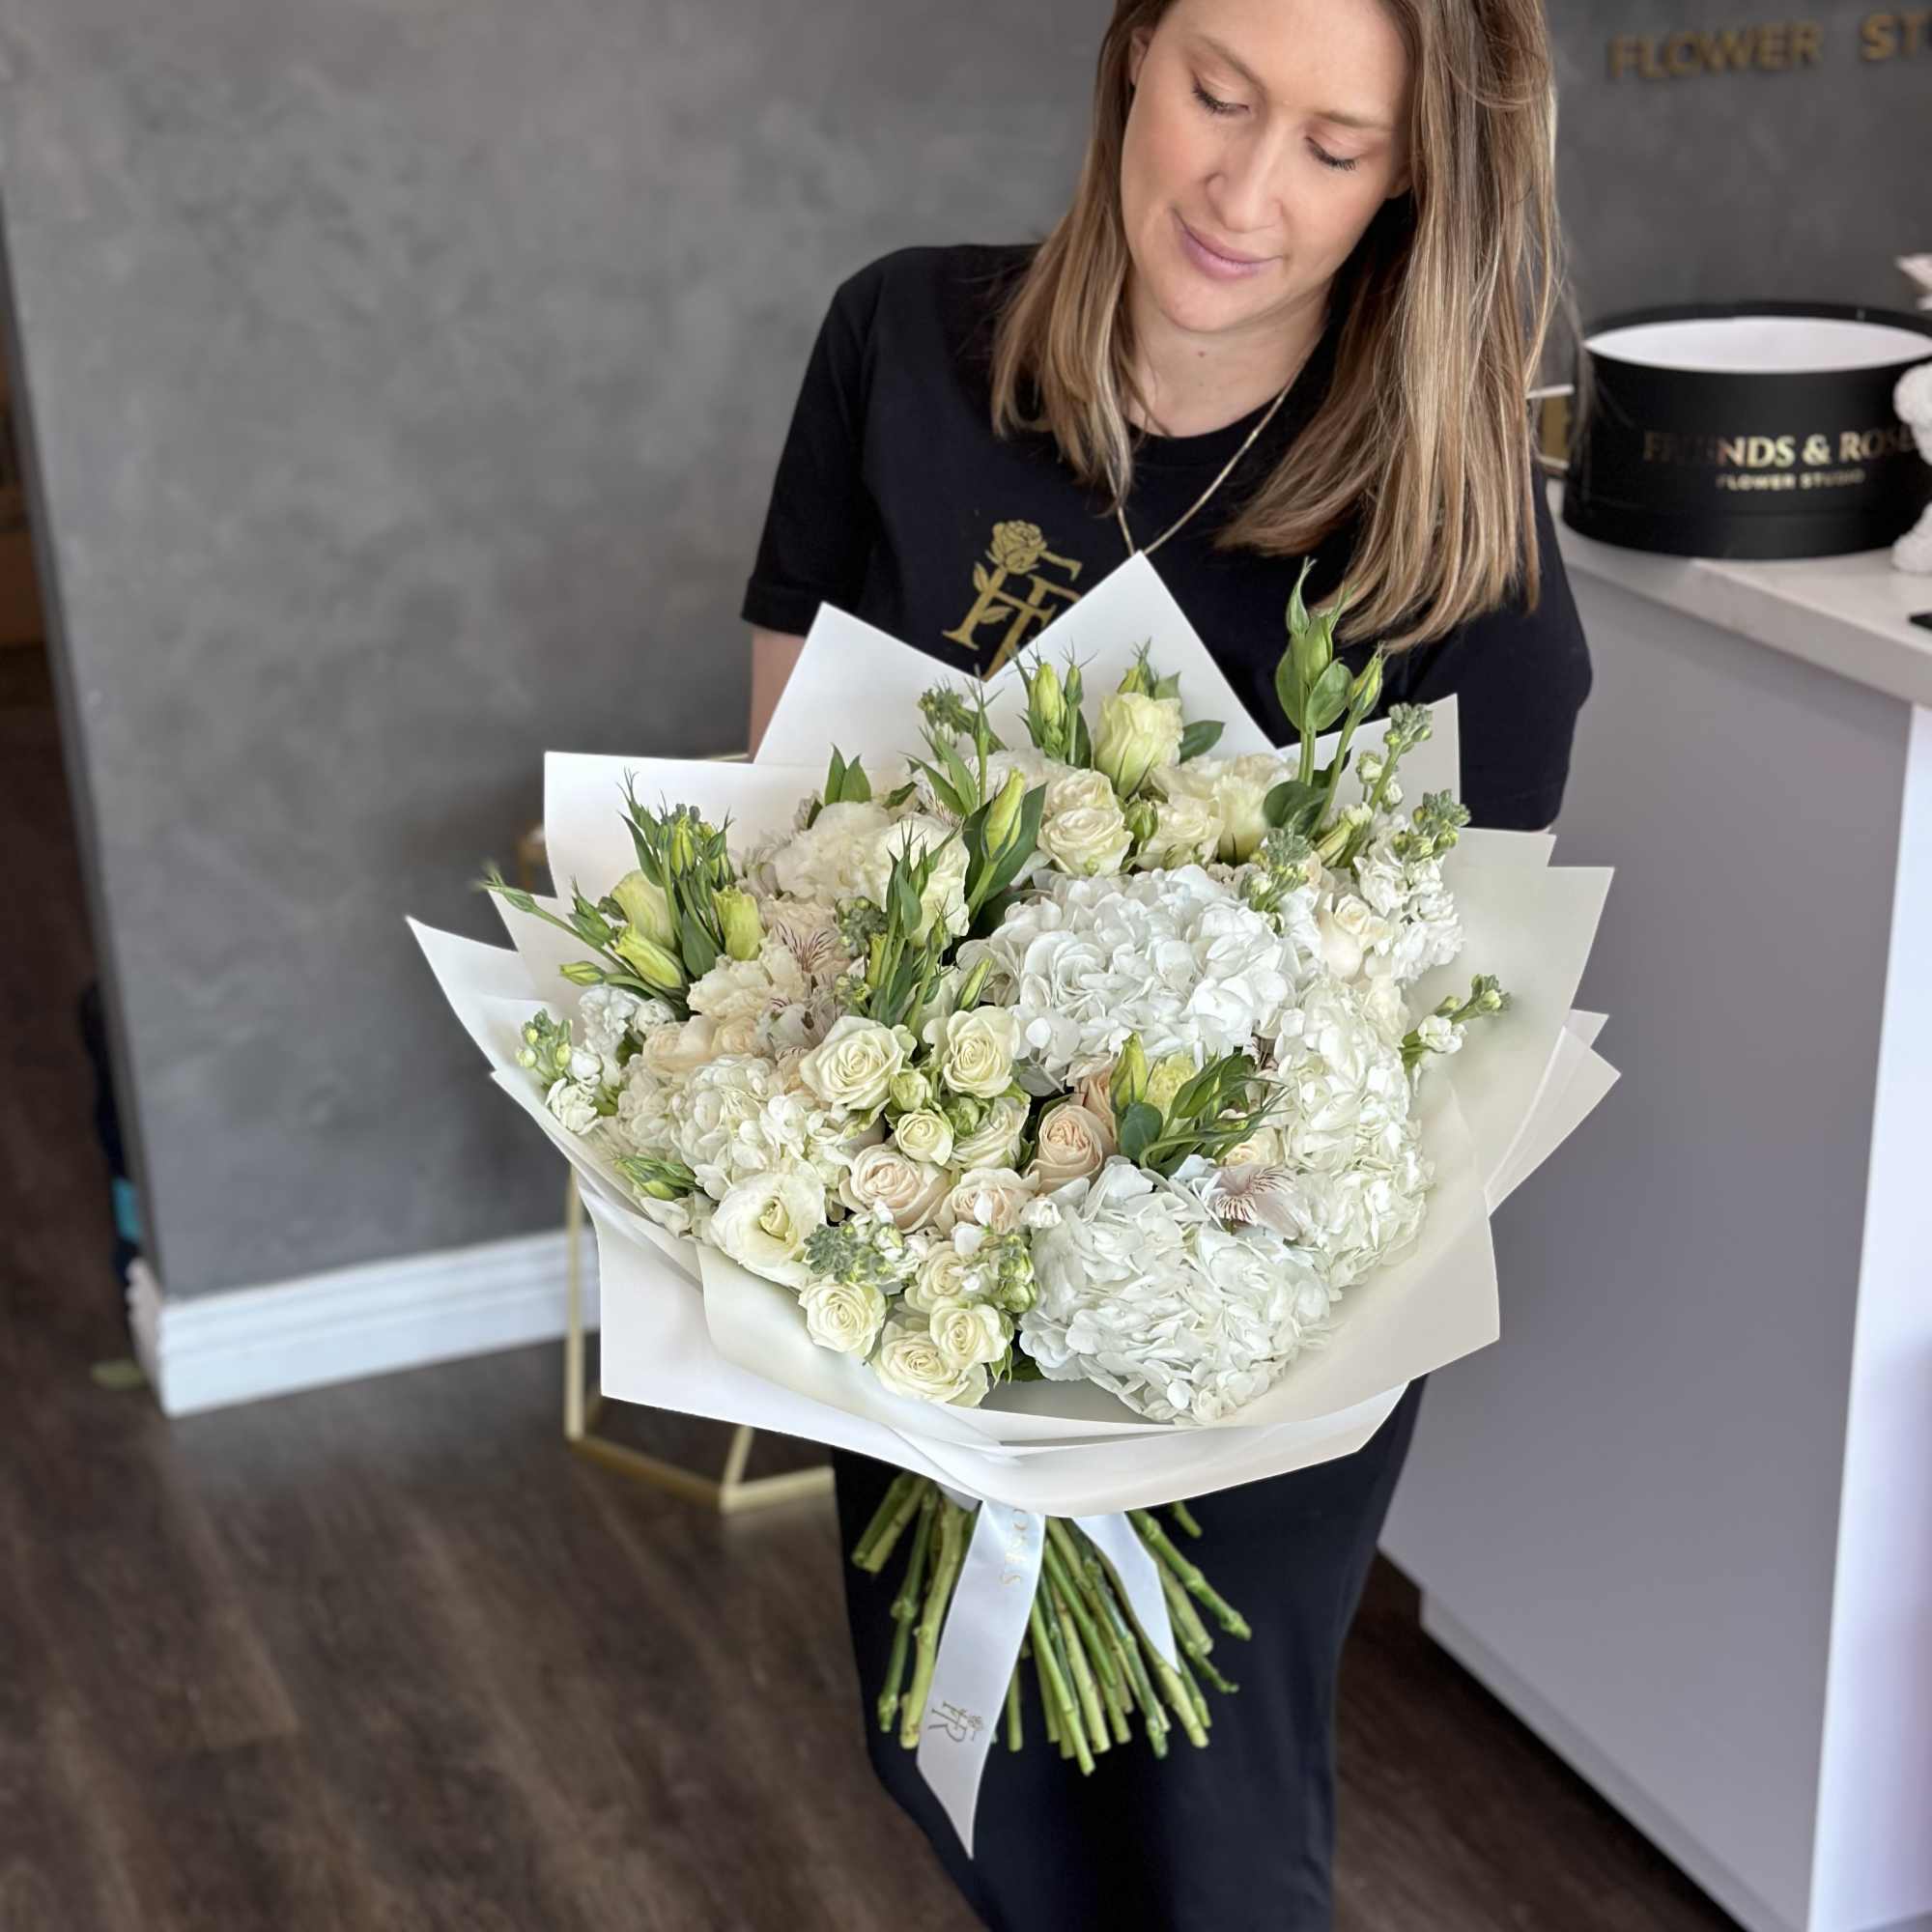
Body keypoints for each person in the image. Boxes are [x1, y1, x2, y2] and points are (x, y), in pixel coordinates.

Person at [740, 0, 1592, 1923]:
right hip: (916, 1234)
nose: (1240, 186)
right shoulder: (902, 344)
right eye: (1216, 91)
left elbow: (1431, 1049)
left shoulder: (1452, 551)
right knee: (950, 1752)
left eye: (1331, 145)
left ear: (1411, 186)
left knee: (1200, 1832)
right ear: (1132, 54)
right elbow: (790, 826)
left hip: (1262, 1313)